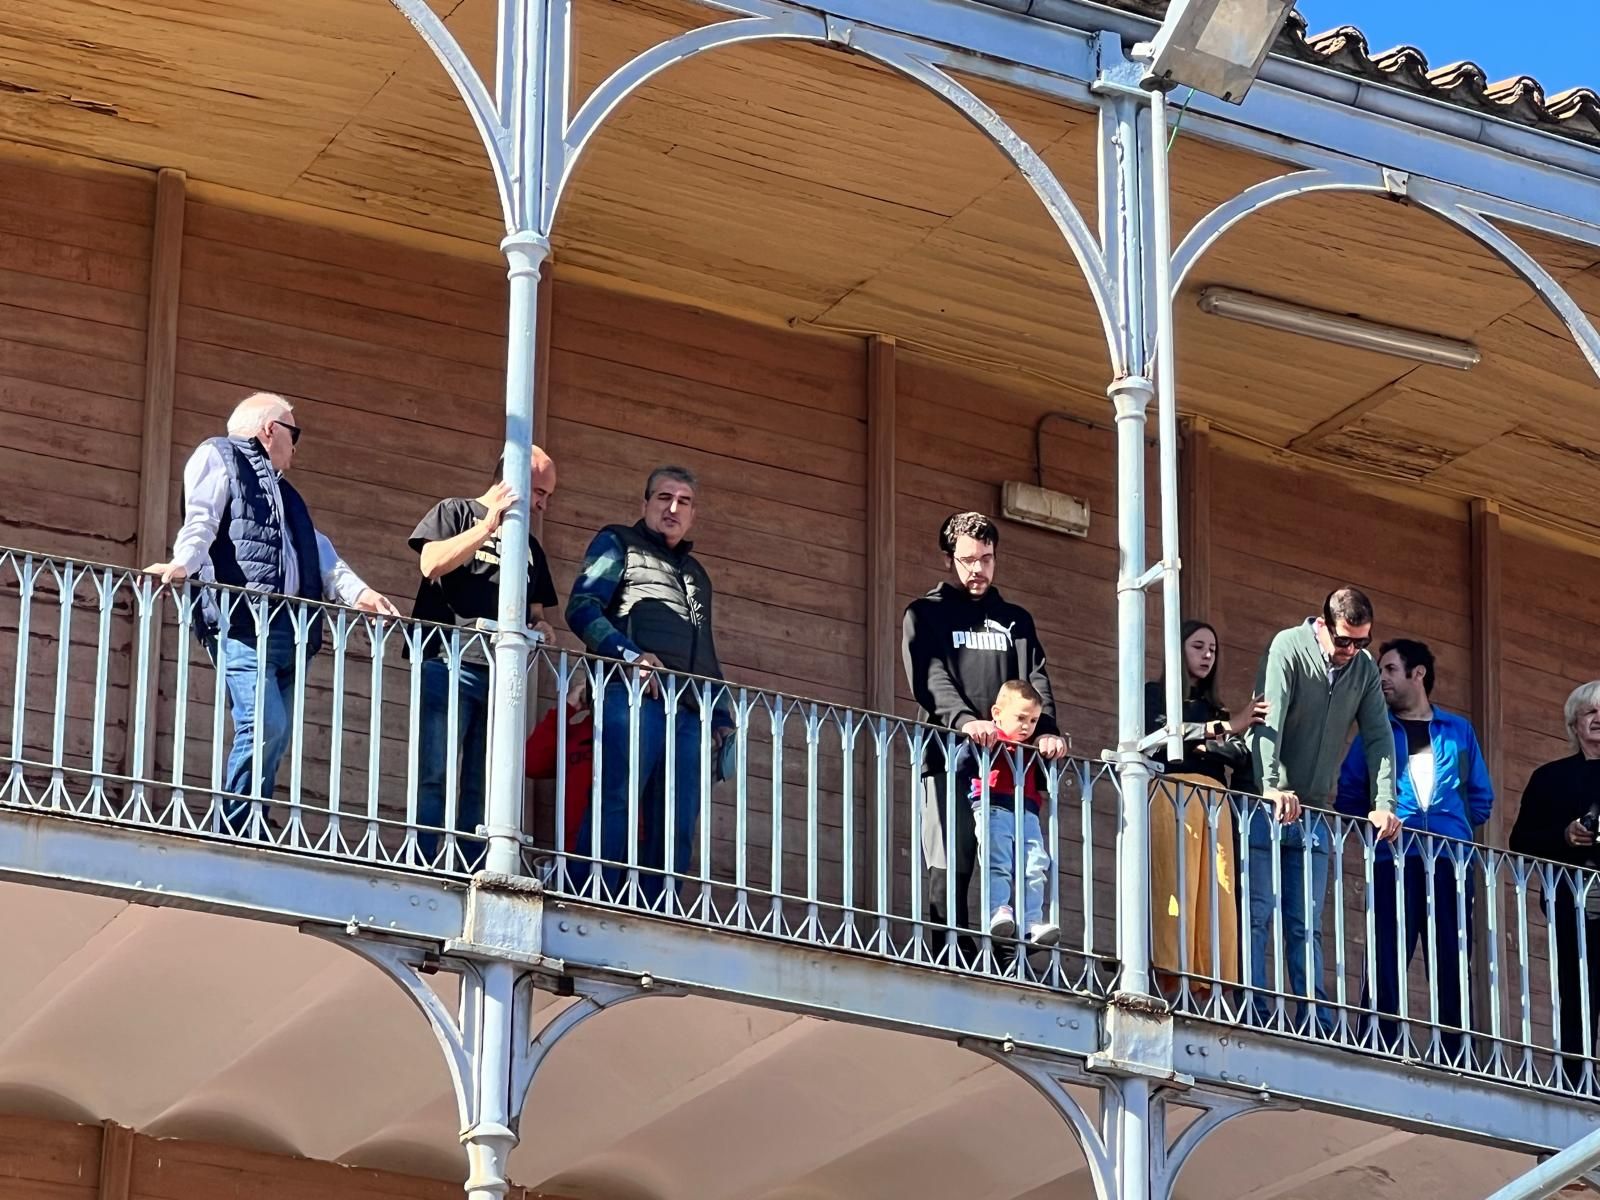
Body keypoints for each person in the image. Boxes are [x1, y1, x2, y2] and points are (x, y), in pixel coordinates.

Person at [144, 392, 399, 833]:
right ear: (269, 429)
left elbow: (321, 555)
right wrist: (181, 565)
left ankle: (253, 820)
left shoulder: (286, 495)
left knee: (274, 735)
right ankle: (237, 826)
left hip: (289, 628)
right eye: (292, 434)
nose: (295, 447)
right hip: (242, 621)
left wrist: (360, 593)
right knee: (264, 723)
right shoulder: (219, 455)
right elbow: (200, 519)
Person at [566, 465, 732, 906]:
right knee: (617, 794)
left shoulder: (697, 574)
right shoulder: (617, 541)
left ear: (693, 513)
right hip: (632, 693)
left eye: (684, 501)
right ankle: (589, 893)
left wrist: (722, 713)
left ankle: (660, 905)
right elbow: (582, 608)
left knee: (679, 817)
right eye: (664, 498)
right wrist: (629, 654)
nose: (673, 508)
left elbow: (705, 647)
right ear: (645, 504)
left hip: (691, 708)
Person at [902, 511, 1069, 941]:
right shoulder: (925, 613)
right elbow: (929, 677)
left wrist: (1047, 728)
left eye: (987, 559)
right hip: (947, 759)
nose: (978, 569)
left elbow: (1037, 681)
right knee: (952, 859)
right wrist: (965, 721)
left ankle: (1008, 948)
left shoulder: (1016, 619)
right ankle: (947, 949)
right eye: (968, 559)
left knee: (1019, 856)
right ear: (948, 560)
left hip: (1010, 766)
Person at [1247, 586, 1400, 1030]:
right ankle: (1254, 1007)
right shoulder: (1287, 647)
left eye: (1362, 642)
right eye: (1344, 641)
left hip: (1314, 812)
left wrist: (1384, 803)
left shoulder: (1364, 669)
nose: (1351, 651)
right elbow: (1267, 717)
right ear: (1322, 625)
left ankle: (1317, 1016)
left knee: (1307, 924)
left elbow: (1378, 738)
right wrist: (1271, 785)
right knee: (1258, 914)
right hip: (1267, 806)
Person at [1337, 638, 1493, 1059]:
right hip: (1394, 857)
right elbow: (1350, 793)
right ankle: (1377, 1042)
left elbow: (1481, 799)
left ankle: (1455, 1051)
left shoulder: (1458, 731)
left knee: (1451, 955)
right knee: (1387, 950)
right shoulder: (1377, 731)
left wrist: (1450, 827)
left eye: (1389, 670)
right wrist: (1374, 828)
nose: (1382, 678)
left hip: (1449, 863)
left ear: (1417, 674)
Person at [409, 450, 558, 865]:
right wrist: (486, 527)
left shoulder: (528, 546)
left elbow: (537, 613)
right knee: (435, 772)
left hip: (498, 677)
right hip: (446, 664)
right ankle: (421, 858)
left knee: (482, 782)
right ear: (515, 482)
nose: (544, 504)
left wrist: (542, 628)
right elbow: (431, 563)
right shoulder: (454, 512)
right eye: (540, 492)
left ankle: (468, 863)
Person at [1145, 620, 1265, 991]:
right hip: (1173, 799)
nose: (1207, 654)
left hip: (1216, 805)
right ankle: (1169, 971)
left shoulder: (1217, 706)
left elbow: (1238, 755)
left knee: (1218, 890)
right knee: (1176, 886)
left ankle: (1208, 978)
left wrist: (1213, 736)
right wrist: (1223, 729)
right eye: (1198, 646)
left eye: (1212, 648)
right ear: (1177, 649)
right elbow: (1161, 737)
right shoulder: (1155, 694)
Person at [1509, 680, 1600, 1088]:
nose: (1598, 719)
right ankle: (1575, 1076)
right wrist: (1565, 836)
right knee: (1577, 987)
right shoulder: (1549, 778)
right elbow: (1521, 842)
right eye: (1590, 712)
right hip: (1571, 898)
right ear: (1574, 723)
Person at [952, 680, 1058, 947]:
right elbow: (960, 764)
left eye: (1033, 720)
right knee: (997, 861)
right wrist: (978, 740)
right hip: (993, 806)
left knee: (1035, 865)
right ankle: (996, 911)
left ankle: (1031, 922)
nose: (1027, 726)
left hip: (1028, 811)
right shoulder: (989, 738)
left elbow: (1048, 769)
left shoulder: (1032, 746)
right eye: (1021, 718)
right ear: (997, 713)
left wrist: (1053, 743)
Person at [525, 667, 595, 859]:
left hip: (627, 851)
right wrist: (566, 707)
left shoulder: (639, 734)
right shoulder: (576, 735)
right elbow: (532, 762)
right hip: (573, 847)